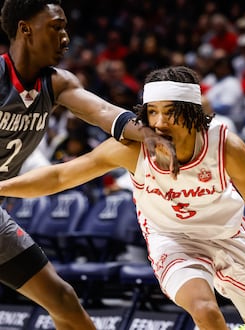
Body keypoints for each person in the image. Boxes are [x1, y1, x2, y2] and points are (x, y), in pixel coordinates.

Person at [0, 65, 245, 330]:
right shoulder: (132, 149)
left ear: (192, 113)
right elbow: (60, 175)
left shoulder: (226, 147)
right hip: (172, 240)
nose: (158, 122)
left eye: (170, 113)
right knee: (205, 311)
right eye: (152, 112)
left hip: (229, 237)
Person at [0, 1, 178, 329]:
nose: (66, 37)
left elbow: (105, 113)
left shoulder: (57, 84)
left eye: (65, 27)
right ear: (25, 29)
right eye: (56, 27)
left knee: (63, 300)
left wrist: (149, 135)